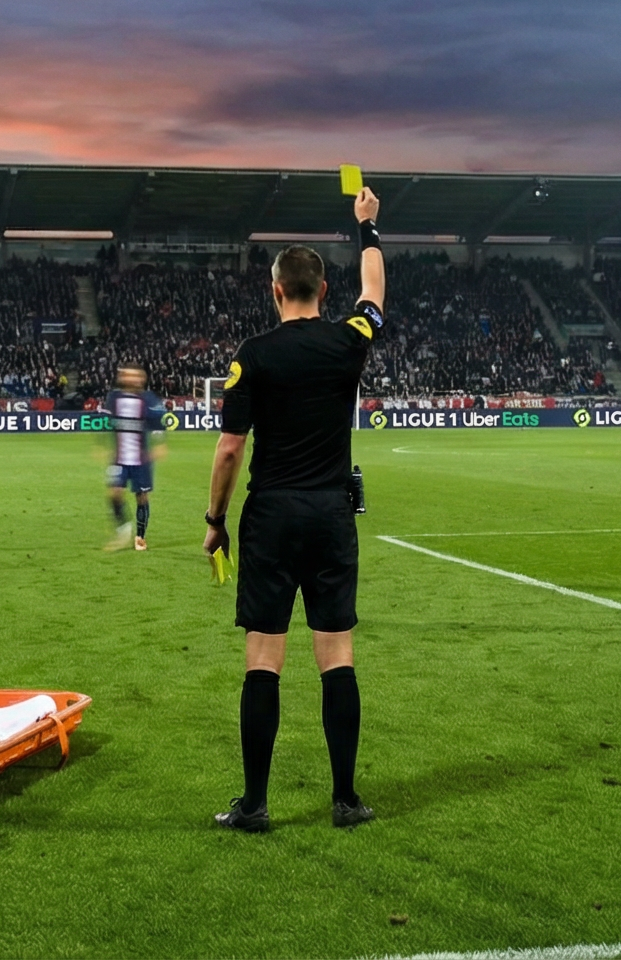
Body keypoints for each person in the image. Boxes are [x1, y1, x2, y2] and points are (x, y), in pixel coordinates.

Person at [203, 189, 387, 835]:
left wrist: (214, 520)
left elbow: (229, 449)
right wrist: (366, 227)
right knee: (337, 655)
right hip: (332, 514)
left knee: (264, 659)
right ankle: (346, 800)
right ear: (323, 289)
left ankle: (255, 804)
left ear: (276, 289)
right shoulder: (350, 340)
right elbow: (376, 293)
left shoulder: (253, 354)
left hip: (272, 515)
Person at [104, 366, 165, 550]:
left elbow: (158, 422)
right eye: (129, 375)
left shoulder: (148, 399)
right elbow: (106, 422)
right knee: (114, 494)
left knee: (142, 497)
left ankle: (140, 537)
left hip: (141, 459)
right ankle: (123, 529)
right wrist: (101, 444)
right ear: (122, 378)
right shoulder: (114, 398)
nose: (133, 379)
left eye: (137, 376)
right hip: (119, 458)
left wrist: (160, 444)